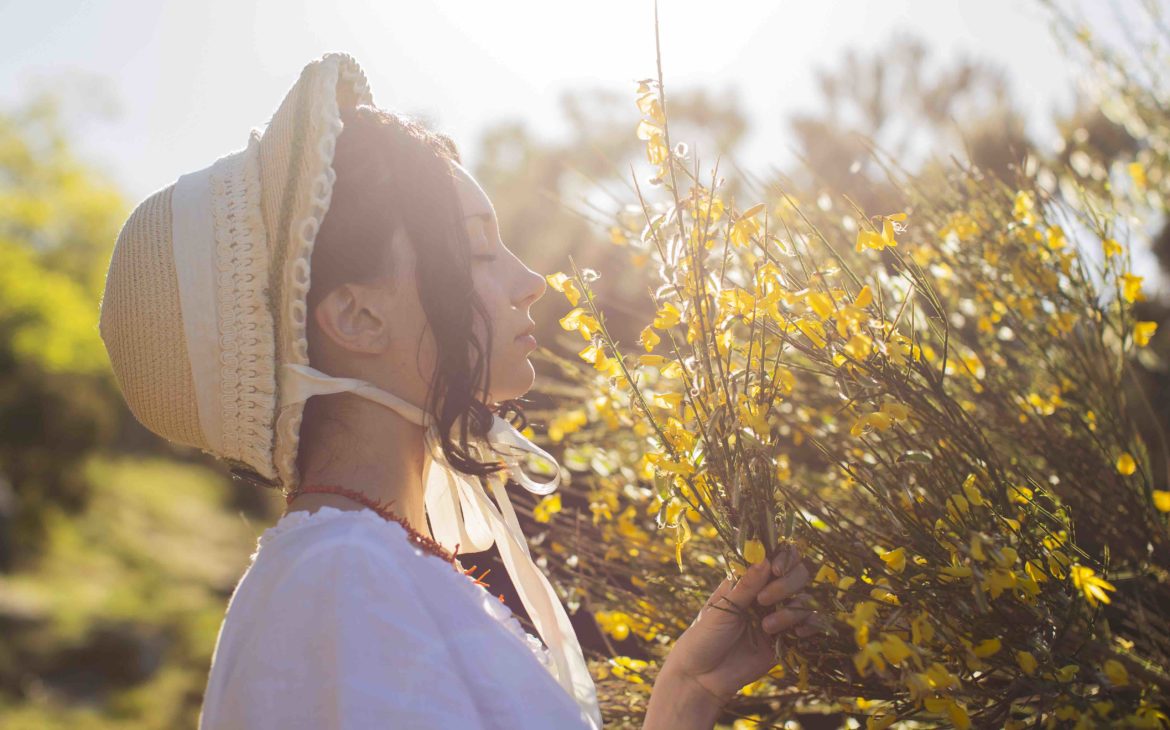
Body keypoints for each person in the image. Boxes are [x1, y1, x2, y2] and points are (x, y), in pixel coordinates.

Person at [98, 53, 813, 729]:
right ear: (358, 316)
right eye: (476, 250)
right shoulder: (340, 586)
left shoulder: (368, 574)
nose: (530, 282)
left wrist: (687, 691)